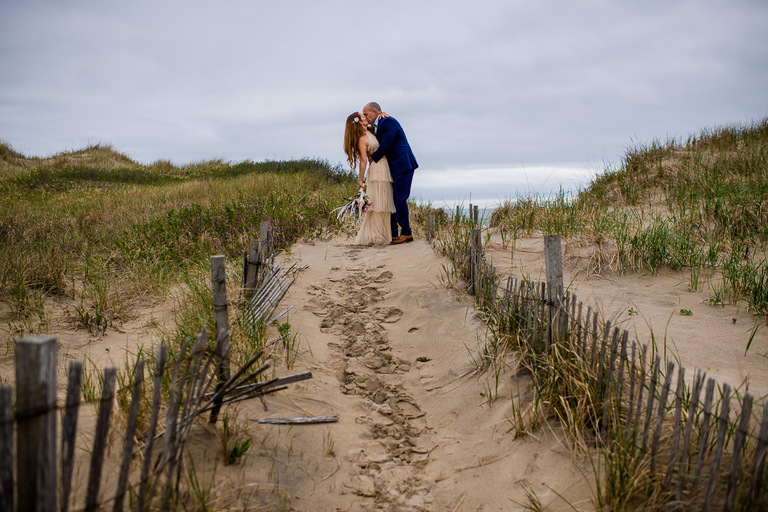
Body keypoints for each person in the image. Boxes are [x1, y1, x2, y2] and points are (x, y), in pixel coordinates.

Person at [362, 102, 419, 244]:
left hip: (403, 164)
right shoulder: (379, 124)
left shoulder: (387, 122)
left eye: (366, 114)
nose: (365, 117)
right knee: (393, 200)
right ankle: (393, 234)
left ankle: (406, 233)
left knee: (399, 199)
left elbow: (387, 145)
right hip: (394, 166)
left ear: (375, 112)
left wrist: (372, 158)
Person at [343, 112, 395, 245]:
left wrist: (381, 113)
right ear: (358, 122)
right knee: (378, 203)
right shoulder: (362, 139)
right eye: (363, 117)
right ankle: (375, 235)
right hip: (377, 169)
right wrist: (360, 180)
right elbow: (363, 161)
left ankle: (382, 233)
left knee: (384, 202)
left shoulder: (370, 132)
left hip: (384, 167)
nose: (366, 118)